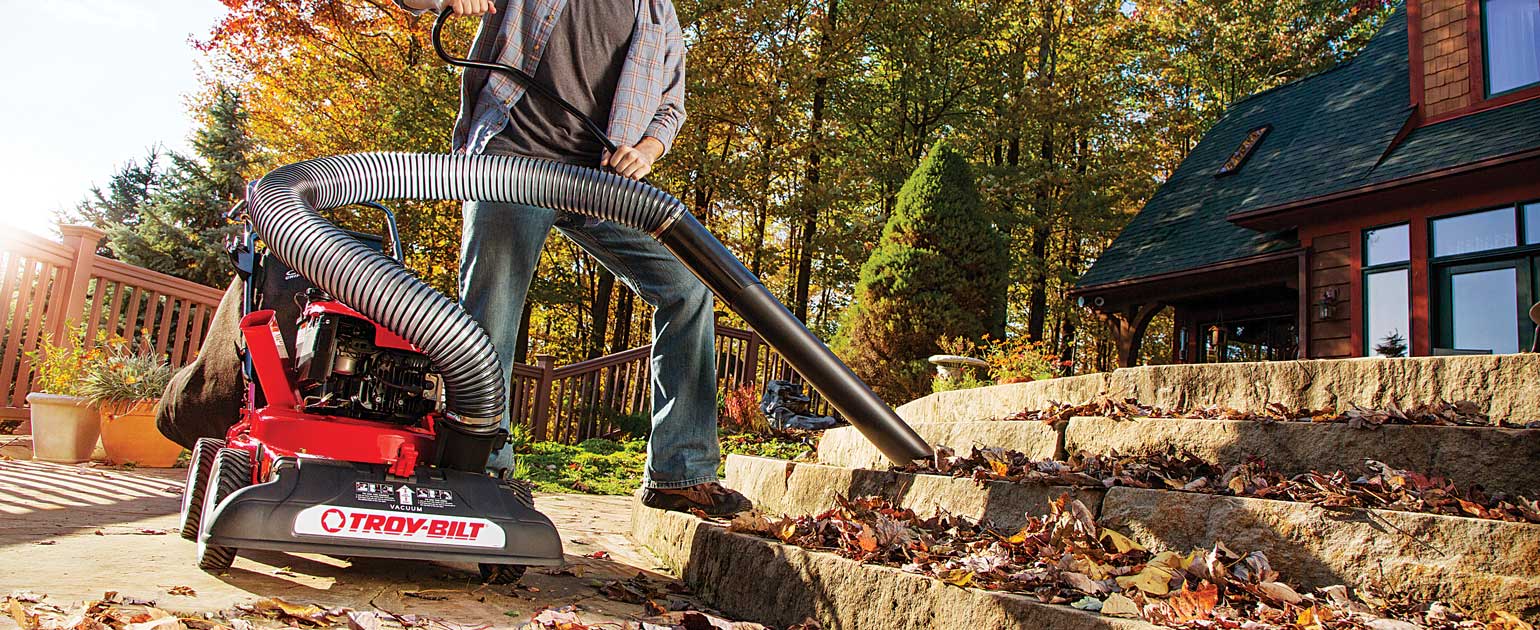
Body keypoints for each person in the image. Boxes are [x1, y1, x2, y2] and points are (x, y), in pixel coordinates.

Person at [393, 0, 750, 515]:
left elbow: (671, 107)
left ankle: (679, 472)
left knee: (688, 287)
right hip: (511, 164)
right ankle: (480, 474)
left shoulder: (657, 13)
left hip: (599, 182)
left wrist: (646, 150)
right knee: (491, 317)